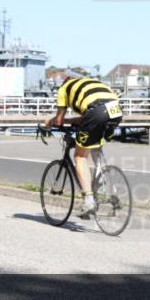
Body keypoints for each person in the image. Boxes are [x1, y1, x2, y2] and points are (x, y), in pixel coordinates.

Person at [42, 76, 123, 218]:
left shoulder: (64, 89)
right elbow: (85, 118)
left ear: (64, 83)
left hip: (97, 112)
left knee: (79, 156)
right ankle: (103, 187)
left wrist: (50, 121)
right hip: (115, 111)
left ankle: (89, 200)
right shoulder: (88, 84)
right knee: (94, 146)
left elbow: (59, 120)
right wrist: (71, 121)